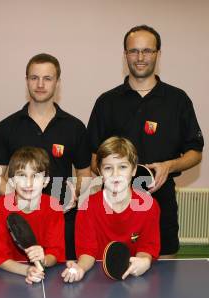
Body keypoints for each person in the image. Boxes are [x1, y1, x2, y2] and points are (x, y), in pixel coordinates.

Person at [87, 25, 204, 258]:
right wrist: (117, 176)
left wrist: (169, 166)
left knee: (164, 272)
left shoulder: (178, 100)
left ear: (158, 54)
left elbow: (195, 152)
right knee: (109, 271)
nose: (140, 58)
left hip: (161, 201)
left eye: (147, 51)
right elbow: (92, 158)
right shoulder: (106, 102)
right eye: (134, 51)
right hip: (114, 204)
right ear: (125, 55)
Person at [0, 53, 91, 261]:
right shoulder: (7, 127)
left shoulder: (75, 127)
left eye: (47, 78)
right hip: (18, 224)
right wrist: (21, 199)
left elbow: (85, 173)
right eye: (34, 77)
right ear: (26, 80)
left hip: (62, 222)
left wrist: (74, 192)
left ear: (58, 83)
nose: (40, 84)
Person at [61, 137, 160, 283]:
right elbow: (88, 251)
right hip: (98, 281)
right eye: (108, 168)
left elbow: (147, 246)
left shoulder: (150, 206)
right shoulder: (87, 207)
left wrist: (144, 260)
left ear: (133, 170)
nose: (115, 174)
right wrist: (80, 267)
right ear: (100, 172)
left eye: (122, 167)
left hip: (133, 279)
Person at [0, 147, 65, 284]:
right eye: (22, 175)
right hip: (5, 278)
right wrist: (26, 270)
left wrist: (44, 259)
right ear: (11, 182)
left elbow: (55, 251)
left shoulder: (54, 207)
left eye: (35, 176)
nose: (28, 183)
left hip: (42, 272)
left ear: (46, 181)